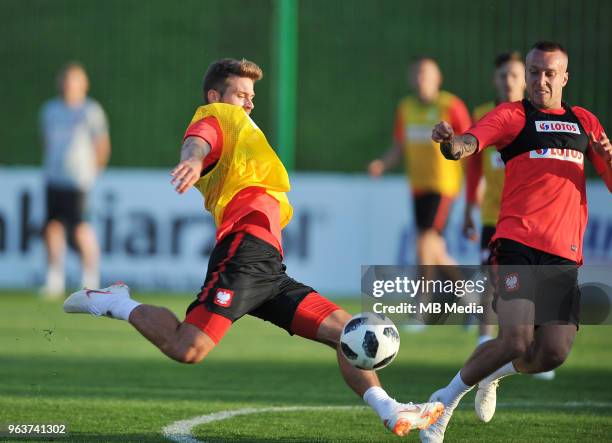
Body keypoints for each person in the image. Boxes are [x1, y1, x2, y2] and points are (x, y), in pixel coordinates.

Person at [63, 58, 443, 436]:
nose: (249, 102)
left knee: (348, 332)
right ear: (216, 96)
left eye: (252, 95)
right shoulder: (216, 117)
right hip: (244, 251)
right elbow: (200, 140)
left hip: (269, 267)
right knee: (187, 348)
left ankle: (390, 410)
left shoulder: (244, 131)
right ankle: (114, 300)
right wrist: (192, 161)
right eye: (241, 94)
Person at [422, 41, 612, 442]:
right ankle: (443, 404)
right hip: (517, 244)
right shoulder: (512, 115)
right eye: (533, 72)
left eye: (549, 73)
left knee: (553, 352)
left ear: (564, 77)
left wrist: (610, 159)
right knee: (515, 338)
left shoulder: (584, 122)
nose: (539, 80)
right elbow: (471, 141)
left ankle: (493, 374)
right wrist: (451, 143)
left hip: (564, 254)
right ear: (525, 75)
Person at [463, 52, 526, 346]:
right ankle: (484, 342)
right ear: (495, 80)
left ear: (525, 80)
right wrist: (467, 209)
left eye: (515, 75)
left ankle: (535, 343)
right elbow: (474, 167)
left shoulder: (534, 116)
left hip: (527, 216)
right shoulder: (483, 115)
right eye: (503, 75)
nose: (509, 81)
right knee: (490, 279)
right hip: (492, 214)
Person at [40, 62, 110, 298]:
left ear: (83, 84)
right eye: (65, 80)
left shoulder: (90, 111)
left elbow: (101, 145)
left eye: (73, 81)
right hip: (54, 177)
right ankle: (54, 279)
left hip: (78, 180)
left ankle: (90, 277)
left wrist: (92, 173)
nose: (68, 85)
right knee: (52, 226)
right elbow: (47, 143)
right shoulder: (50, 110)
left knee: (80, 227)